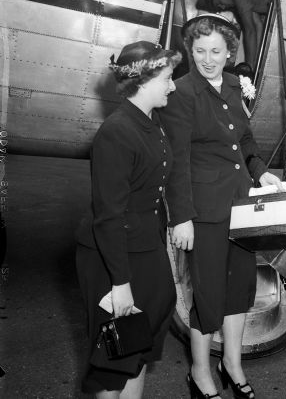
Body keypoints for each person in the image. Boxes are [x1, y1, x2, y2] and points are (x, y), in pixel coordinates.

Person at [160, 13, 284, 399]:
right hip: (204, 212)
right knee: (209, 294)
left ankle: (232, 363)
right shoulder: (180, 93)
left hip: (240, 206)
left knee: (240, 290)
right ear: (189, 51)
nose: (207, 58)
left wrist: (260, 172)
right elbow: (176, 163)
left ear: (230, 52)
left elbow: (244, 142)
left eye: (216, 50)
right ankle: (199, 371)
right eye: (199, 50)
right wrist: (181, 218)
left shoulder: (234, 85)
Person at [76, 41, 181, 398]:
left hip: (143, 247)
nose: (173, 85)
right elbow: (108, 216)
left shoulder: (151, 122)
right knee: (114, 359)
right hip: (113, 255)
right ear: (144, 80)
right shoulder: (118, 132)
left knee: (138, 348)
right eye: (168, 77)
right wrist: (120, 283)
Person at [198, 0, 276, 74]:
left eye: (220, 3)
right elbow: (258, 26)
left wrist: (249, 68)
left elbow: (250, 31)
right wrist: (256, 64)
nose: (223, 7)